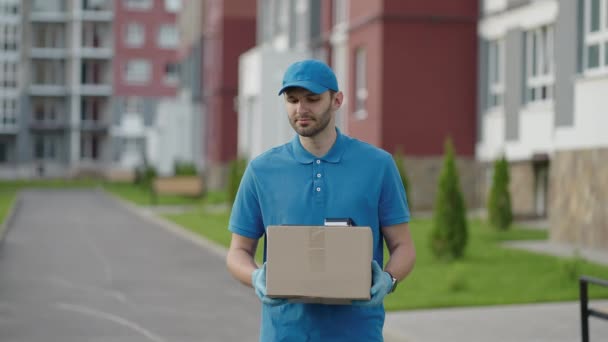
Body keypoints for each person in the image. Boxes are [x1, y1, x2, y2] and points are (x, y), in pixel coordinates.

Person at [226, 59, 416, 341]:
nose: (301, 109)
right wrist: (256, 277)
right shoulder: (261, 170)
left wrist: (388, 280)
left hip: (358, 333)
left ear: (337, 100)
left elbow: (403, 246)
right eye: (292, 100)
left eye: (312, 99)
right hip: (283, 334)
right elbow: (238, 252)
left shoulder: (378, 165)